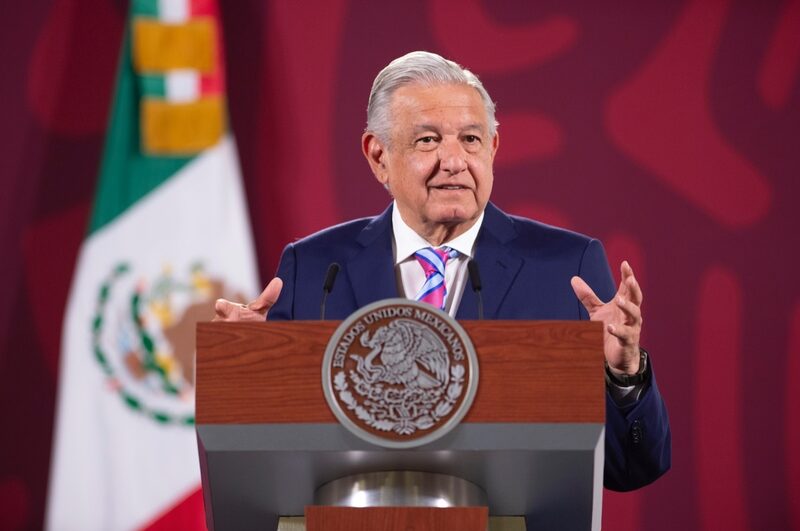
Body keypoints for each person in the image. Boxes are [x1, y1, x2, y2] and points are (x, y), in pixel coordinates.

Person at [214, 51, 670, 491]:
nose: (454, 161)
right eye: (428, 140)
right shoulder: (316, 268)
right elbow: (271, 456)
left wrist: (623, 374)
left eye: (470, 139)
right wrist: (249, 373)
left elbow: (632, 468)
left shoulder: (565, 268)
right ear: (378, 156)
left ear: (492, 148)